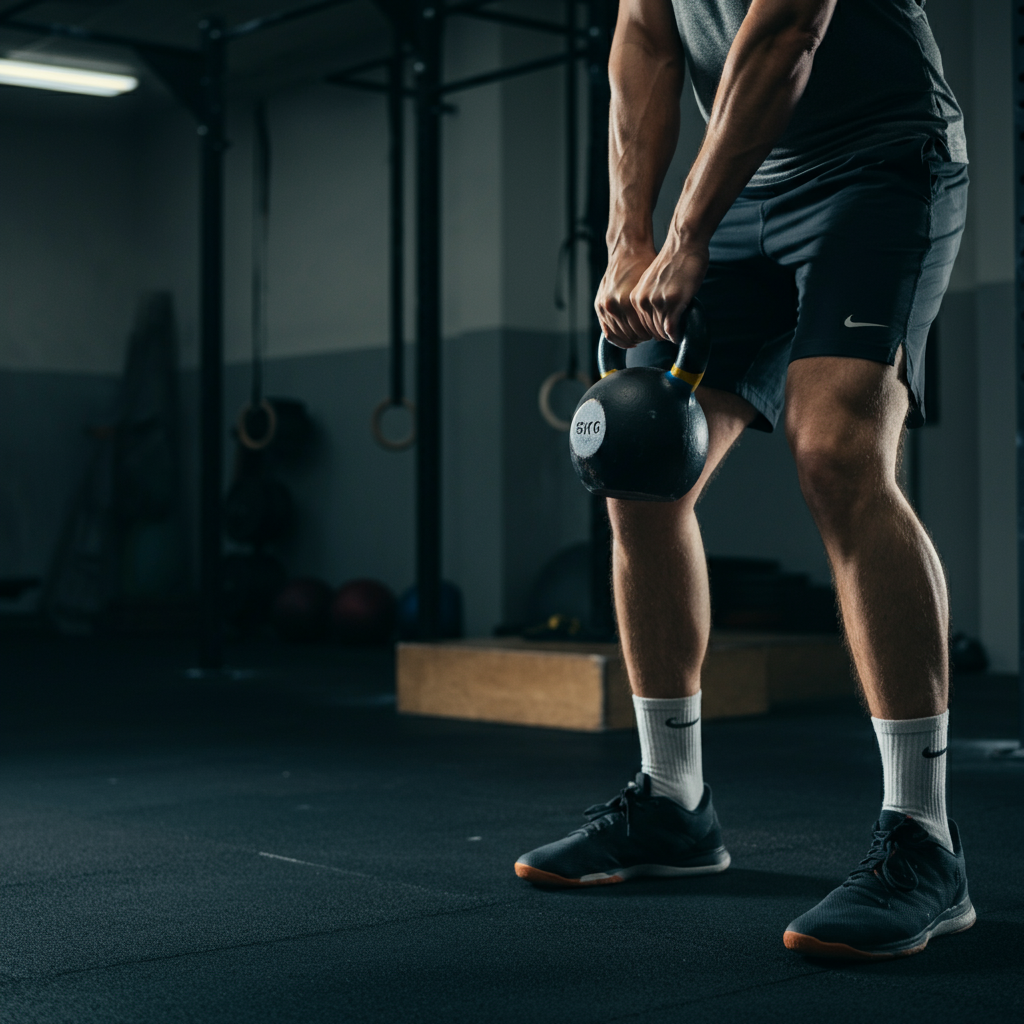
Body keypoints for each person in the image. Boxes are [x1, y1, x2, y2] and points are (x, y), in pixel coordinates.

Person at [514, 0, 972, 961]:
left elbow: (786, 32)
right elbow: (643, 32)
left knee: (836, 452)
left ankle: (924, 838)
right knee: (638, 464)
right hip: (749, 181)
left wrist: (684, 237)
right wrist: (629, 235)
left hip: (881, 160)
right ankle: (673, 803)